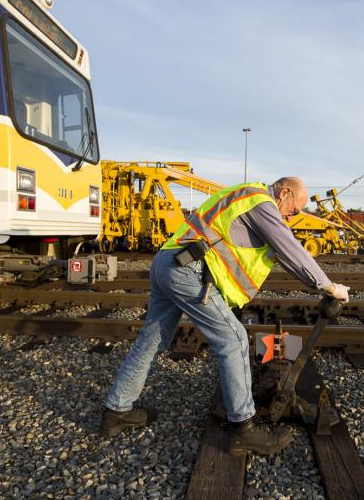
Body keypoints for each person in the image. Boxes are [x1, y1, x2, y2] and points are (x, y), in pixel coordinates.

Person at [101, 177, 350, 454]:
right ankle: (243, 429)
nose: (291, 217)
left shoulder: (243, 196)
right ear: (285, 193)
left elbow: (286, 257)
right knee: (234, 341)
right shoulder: (261, 202)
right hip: (188, 269)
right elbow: (290, 248)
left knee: (152, 340)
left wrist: (316, 282)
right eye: (294, 210)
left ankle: (116, 411)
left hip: (168, 262)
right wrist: (329, 286)